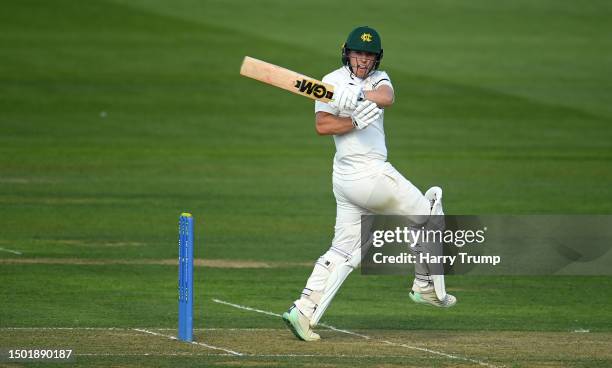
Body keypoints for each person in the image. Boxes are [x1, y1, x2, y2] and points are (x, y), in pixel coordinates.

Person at [282, 26, 457, 342]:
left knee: (344, 249)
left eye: (369, 55)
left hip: (348, 183)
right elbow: (322, 126)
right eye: (358, 53)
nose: (363, 60)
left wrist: (359, 95)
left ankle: (302, 311)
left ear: (376, 58)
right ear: (347, 53)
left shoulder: (379, 78)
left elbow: (387, 97)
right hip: (367, 174)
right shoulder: (331, 82)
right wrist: (353, 121)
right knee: (425, 213)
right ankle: (424, 284)